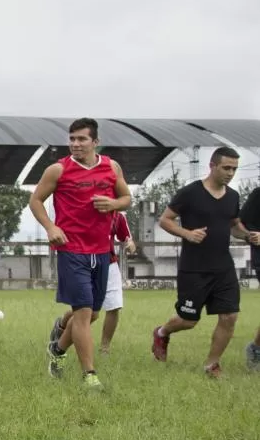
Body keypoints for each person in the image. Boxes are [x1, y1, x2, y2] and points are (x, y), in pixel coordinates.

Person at [29, 117, 131, 390]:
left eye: (82, 139)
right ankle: (90, 375)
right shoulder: (57, 170)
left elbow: (127, 199)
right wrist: (50, 227)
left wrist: (113, 203)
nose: (75, 144)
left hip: (102, 251)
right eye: (72, 139)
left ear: (95, 142)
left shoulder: (111, 167)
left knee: (93, 314)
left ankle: (58, 350)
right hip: (71, 250)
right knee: (84, 313)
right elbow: (35, 200)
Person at [151, 147, 259, 377]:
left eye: (234, 169)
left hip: (223, 267)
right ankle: (162, 333)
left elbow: (234, 226)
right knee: (188, 320)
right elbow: (165, 220)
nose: (230, 173)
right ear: (212, 166)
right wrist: (187, 233)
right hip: (194, 268)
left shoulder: (232, 196)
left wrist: (249, 235)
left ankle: (212, 364)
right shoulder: (190, 193)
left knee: (229, 316)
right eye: (226, 168)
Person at [50, 210, 135, 354]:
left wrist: (130, 243)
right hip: (83, 263)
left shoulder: (118, 216)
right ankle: (61, 330)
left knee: (114, 306)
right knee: (90, 313)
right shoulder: (82, 210)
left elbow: (126, 236)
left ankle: (104, 348)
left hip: (109, 263)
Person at [241, 184, 260, 370]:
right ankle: (256, 349)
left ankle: (256, 348)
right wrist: (253, 236)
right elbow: (243, 224)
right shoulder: (258, 195)